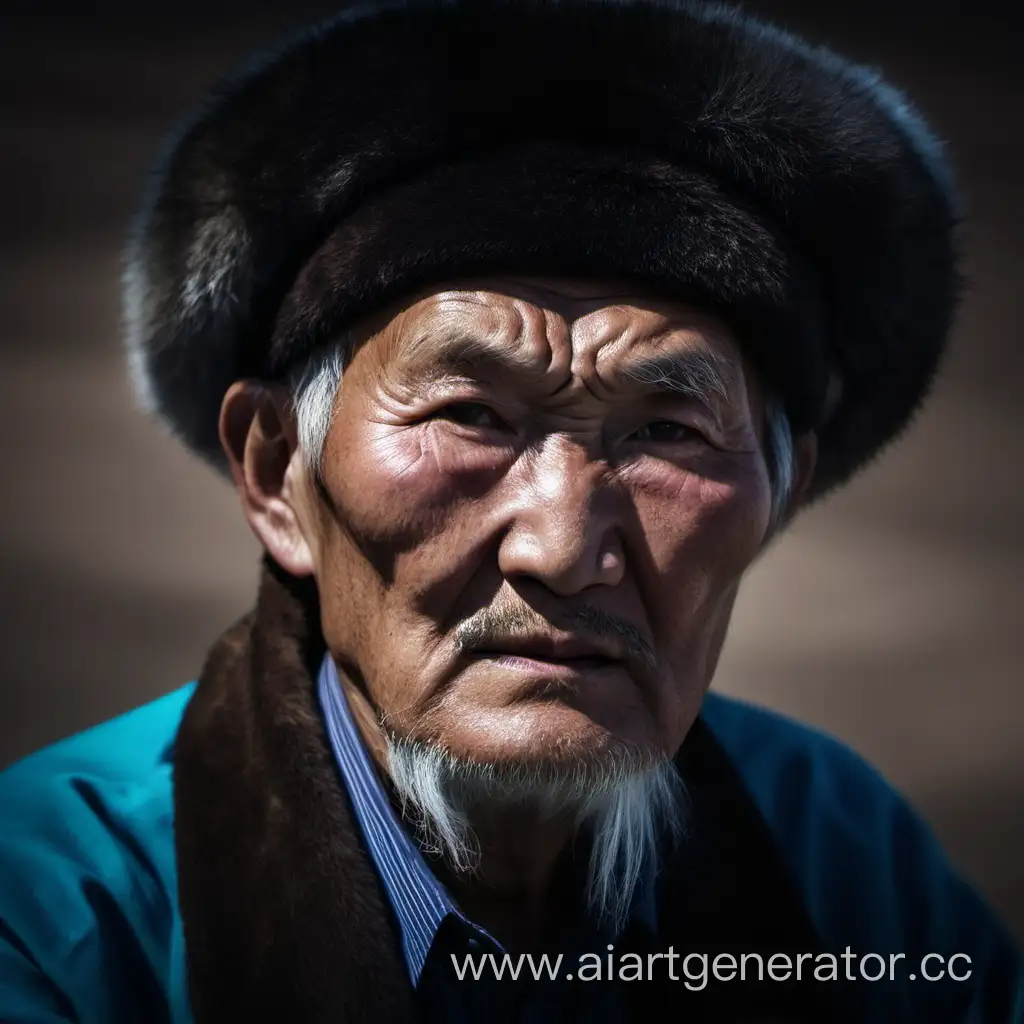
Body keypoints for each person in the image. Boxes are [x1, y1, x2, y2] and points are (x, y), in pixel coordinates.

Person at [0, 1, 1021, 1021]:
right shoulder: (53, 913)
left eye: (667, 430)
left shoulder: (842, 857)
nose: (562, 549)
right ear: (277, 475)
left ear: (780, 491)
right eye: (470, 414)